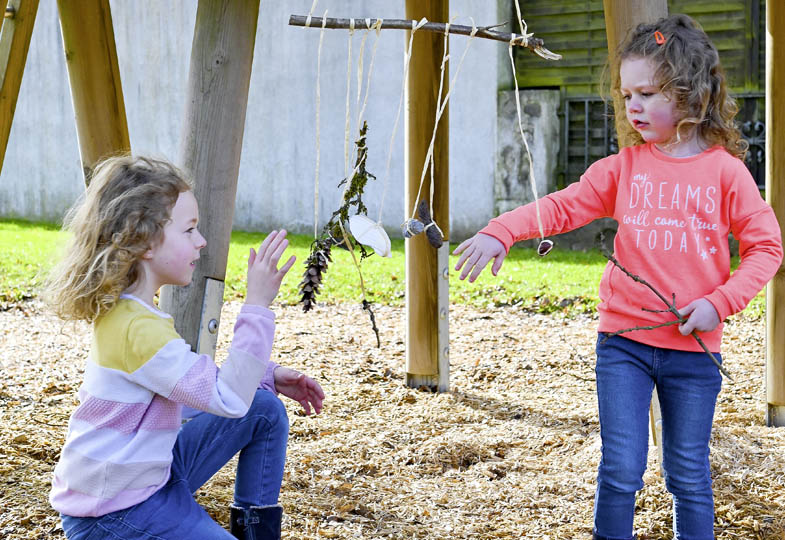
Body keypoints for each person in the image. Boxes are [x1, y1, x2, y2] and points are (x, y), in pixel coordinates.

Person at [454, 14, 782, 540]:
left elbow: (766, 247)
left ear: (692, 95)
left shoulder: (726, 173)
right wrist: (501, 231)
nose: (632, 105)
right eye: (627, 93)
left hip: (694, 350)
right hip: (623, 345)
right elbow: (565, 206)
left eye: (648, 93)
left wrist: (719, 303)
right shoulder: (625, 168)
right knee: (621, 469)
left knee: (689, 475)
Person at [44, 155, 324, 540]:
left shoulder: (134, 313)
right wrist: (257, 305)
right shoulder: (137, 329)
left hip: (148, 477)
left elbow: (186, 389)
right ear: (143, 239)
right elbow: (226, 400)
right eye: (189, 230)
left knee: (263, 410)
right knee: (248, 405)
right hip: (113, 515)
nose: (202, 240)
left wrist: (265, 375)